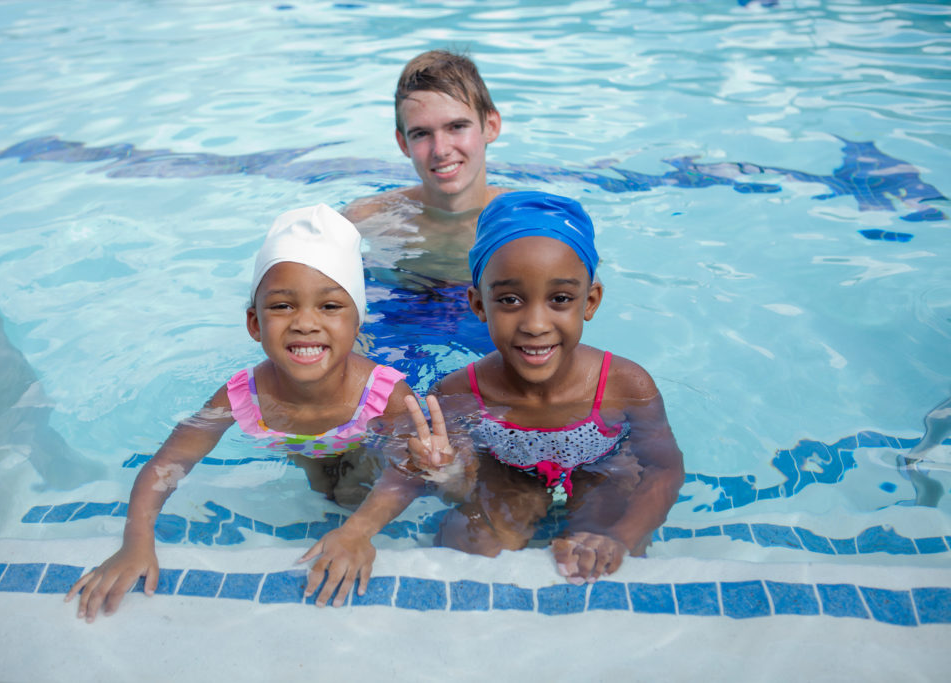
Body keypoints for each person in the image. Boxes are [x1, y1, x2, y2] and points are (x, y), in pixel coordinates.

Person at [65, 204, 416, 620]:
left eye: (330, 307)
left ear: (358, 322)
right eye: (283, 306)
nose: (305, 323)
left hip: (363, 431)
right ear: (254, 323)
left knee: (353, 493)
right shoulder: (239, 397)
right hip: (295, 439)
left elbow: (413, 468)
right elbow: (168, 462)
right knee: (325, 490)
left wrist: (359, 531)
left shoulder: (386, 392)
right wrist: (136, 541)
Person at [392, 191, 686, 583]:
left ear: (591, 301)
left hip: (600, 469)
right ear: (479, 305)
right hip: (505, 471)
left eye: (560, 299)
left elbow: (664, 468)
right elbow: (459, 485)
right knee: (470, 545)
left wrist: (621, 536)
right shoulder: (460, 392)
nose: (535, 324)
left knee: (598, 555)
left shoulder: (624, 385)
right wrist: (444, 471)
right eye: (510, 299)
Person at [343, 48, 509, 281]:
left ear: (490, 126)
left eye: (457, 127)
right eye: (421, 133)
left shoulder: (523, 218)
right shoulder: (366, 218)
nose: (440, 150)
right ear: (403, 143)